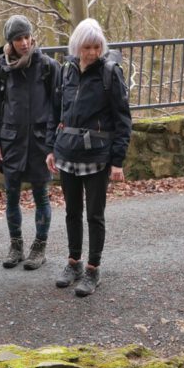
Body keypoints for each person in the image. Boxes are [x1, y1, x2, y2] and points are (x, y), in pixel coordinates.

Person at [45, 18, 132, 298]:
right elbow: (55, 112)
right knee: (72, 212)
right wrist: (52, 149)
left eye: (96, 47)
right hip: (68, 153)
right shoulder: (66, 71)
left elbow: (122, 119)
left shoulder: (110, 74)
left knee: (94, 214)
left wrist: (117, 161)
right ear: (77, 46)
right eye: (86, 47)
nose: (91, 53)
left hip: (97, 156)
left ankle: (93, 269)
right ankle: (74, 263)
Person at [0, 15, 58, 271]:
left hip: (40, 142)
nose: (25, 42)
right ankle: (15, 245)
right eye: (18, 38)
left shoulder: (48, 66)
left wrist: (53, 145)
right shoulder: (2, 67)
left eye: (27, 36)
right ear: (10, 41)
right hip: (11, 142)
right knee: (12, 196)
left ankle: (39, 247)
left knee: (41, 196)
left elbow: (57, 107)